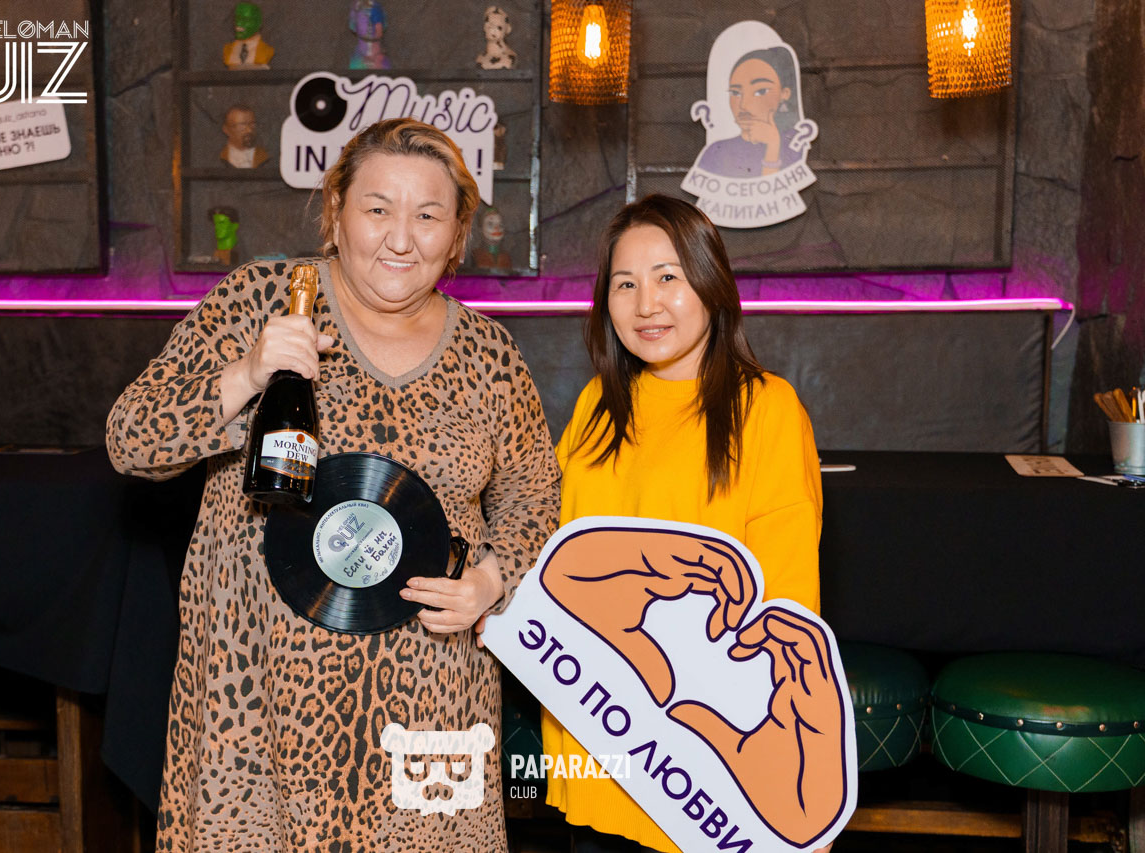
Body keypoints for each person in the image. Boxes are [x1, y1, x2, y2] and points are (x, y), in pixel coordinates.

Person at [107, 117, 560, 851]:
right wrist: (247, 373)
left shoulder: (488, 354)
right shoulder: (261, 300)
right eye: (378, 208)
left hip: (430, 700)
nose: (401, 238)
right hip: (256, 701)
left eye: (428, 215)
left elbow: (534, 494)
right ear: (336, 211)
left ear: (458, 234)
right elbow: (132, 440)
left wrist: (490, 581)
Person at [540, 194, 827, 853]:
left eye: (667, 276)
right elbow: (552, 548)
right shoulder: (597, 403)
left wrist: (796, 767)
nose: (646, 304)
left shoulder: (768, 409)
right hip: (596, 727)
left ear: (710, 282)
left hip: (701, 755)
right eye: (625, 284)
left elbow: (789, 604)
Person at [696, 47, 806, 179]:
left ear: (784, 94)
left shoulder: (797, 144)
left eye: (761, 91)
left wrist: (773, 147)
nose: (743, 105)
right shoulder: (716, 152)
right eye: (735, 93)